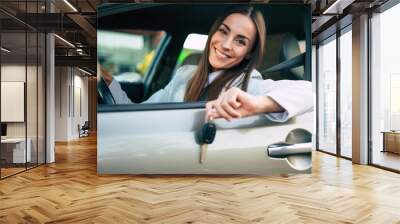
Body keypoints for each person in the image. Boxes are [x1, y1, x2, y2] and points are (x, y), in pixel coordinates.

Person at [101, 6, 313, 122]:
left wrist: (258, 104)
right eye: (223, 31)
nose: (226, 45)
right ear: (214, 33)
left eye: (241, 41)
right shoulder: (185, 74)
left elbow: (309, 93)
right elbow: (139, 114)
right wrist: (110, 82)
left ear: (249, 53)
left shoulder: (249, 84)